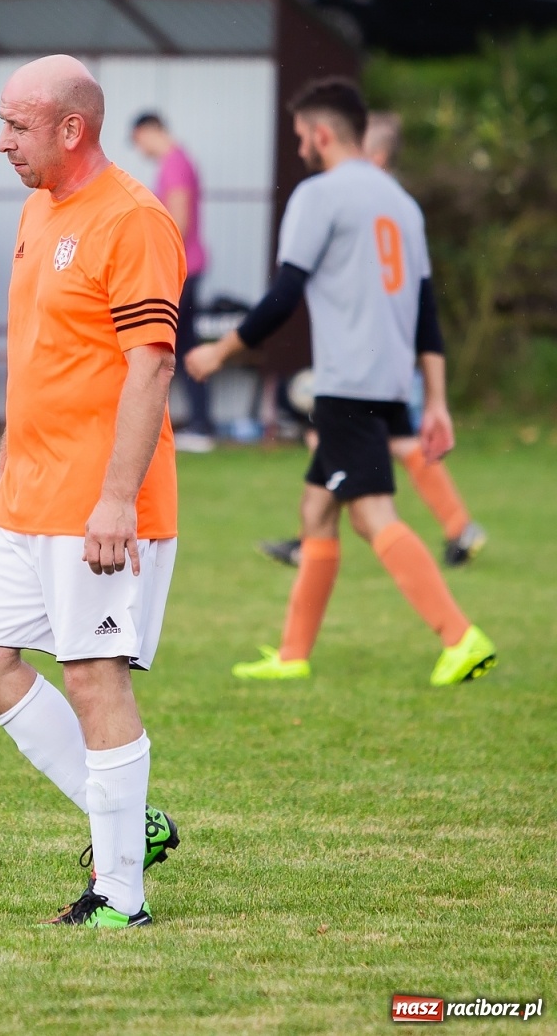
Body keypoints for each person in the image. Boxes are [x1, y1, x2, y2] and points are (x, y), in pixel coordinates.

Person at [0, 56, 183, 929]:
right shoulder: (39, 207)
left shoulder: (134, 219)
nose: (2, 141)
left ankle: (121, 898)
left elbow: (150, 366)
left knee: (92, 678)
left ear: (72, 129)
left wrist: (116, 499)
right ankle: (127, 819)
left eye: (18, 126)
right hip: (22, 497)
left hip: (96, 501)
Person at [186, 78, 497, 688]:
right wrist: (435, 399)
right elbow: (426, 314)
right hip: (390, 380)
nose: (301, 146)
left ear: (322, 134)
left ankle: (460, 636)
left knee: (371, 515)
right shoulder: (402, 204)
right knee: (317, 508)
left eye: (302, 136)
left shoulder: (320, 195)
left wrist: (220, 350)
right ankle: (292, 654)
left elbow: (284, 294)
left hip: (347, 383)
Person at [257, 111, 488, 569]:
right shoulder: (398, 207)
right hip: (380, 356)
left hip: (366, 359)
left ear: (376, 156)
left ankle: (456, 529)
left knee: (378, 484)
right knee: (360, 441)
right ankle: (313, 539)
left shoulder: (372, 207)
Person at [131, 112, 213, 453]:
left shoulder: (175, 163)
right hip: (185, 267)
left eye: (138, 141)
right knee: (183, 345)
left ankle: (200, 425)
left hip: (183, 269)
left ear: (148, 131)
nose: (140, 150)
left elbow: (178, 221)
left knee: (175, 347)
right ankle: (200, 423)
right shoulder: (176, 161)